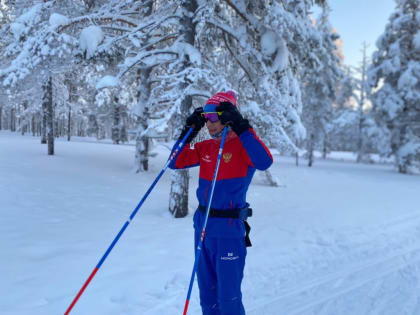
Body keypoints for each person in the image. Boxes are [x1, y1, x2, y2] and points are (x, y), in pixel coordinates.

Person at [169, 91, 273, 315]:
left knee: (228, 299)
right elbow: (174, 161)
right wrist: (189, 131)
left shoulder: (245, 146)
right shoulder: (207, 147)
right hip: (203, 229)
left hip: (228, 232)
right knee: (207, 296)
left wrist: (242, 126)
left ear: (228, 117)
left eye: (214, 118)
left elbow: (265, 162)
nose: (209, 125)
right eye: (206, 119)